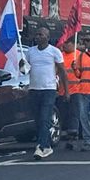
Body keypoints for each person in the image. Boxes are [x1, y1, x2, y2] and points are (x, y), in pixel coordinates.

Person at [24, 26, 63, 160]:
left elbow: (62, 71)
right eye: (37, 34)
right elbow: (25, 68)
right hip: (34, 89)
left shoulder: (54, 51)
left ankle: (41, 146)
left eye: (41, 35)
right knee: (38, 119)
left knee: (45, 117)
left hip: (49, 89)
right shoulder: (30, 52)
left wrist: (65, 90)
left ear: (47, 37)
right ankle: (47, 146)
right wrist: (21, 65)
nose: (38, 37)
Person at [57, 37, 80, 149]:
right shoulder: (59, 56)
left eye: (66, 43)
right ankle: (65, 133)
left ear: (72, 44)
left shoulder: (79, 55)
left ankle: (73, 137)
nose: (64, 45)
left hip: (76, 90)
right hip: (62, 91)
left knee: (74, 114)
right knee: (63, 114)